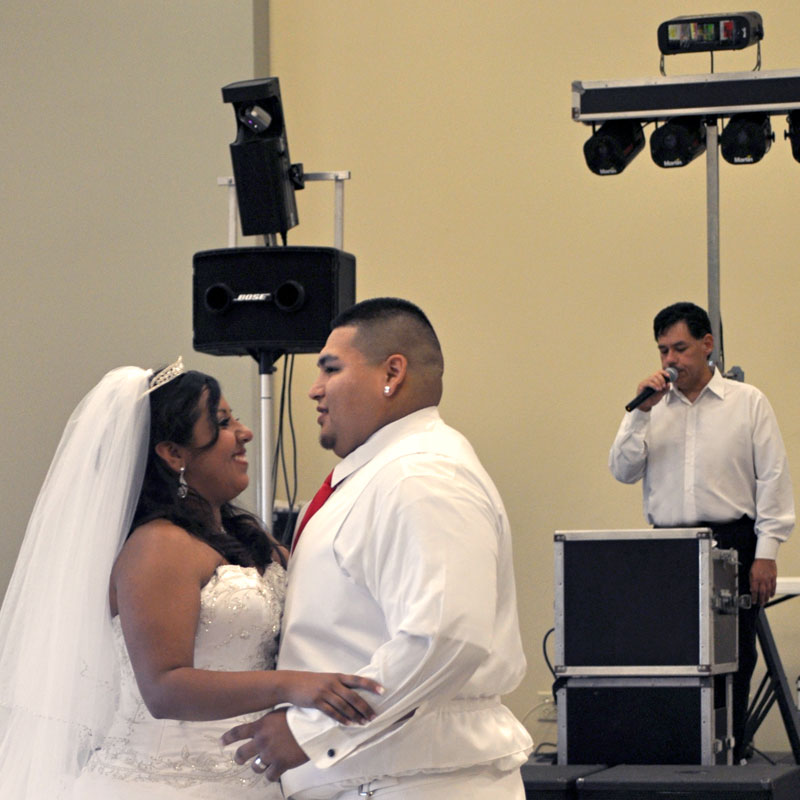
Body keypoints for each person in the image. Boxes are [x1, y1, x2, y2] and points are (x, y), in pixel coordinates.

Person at [0, 358, 381, 799]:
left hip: (255, 780)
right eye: (222, 422)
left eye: (235, 418)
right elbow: (164, 688)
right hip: (161, 783)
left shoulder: (250, 538)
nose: (245, 432)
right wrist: (294, 685)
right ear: (173, 453)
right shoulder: (158, 546)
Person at [223, 298, 532, 799]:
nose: (314, 389)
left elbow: (444, 637)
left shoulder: (422, 475)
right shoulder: (382, 473)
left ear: (392, 372)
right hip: (378, 776)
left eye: (331, 369)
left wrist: (310, 730)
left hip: (417, 781)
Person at [609, 301, 795, 763]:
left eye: (680, 348)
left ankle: (731, 755)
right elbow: (621, 470)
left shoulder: (747, 402)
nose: (670, 361)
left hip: (733, 541)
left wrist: (767, 552)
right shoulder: (651, 410)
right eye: (663, 351)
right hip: (668, 548)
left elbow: (773, 479)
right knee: (667, 656)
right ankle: (674, 754)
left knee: (734, 659)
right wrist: (639, 415)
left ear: (707, 345)